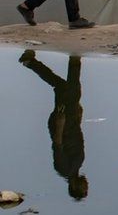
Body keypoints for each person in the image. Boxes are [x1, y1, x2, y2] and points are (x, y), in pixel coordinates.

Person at [20, 51, 88, 199]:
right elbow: (78, 137)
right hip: (71, 121)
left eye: (84, 190)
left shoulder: (64, 169)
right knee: (62, 87)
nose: (87, 186)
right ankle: (30, 63)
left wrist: (60, 121)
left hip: (62, 122)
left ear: (74, 187)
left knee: (73, 90)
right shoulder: (76, 167)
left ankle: (74, 59)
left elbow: (57, 144)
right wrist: (79, 114)